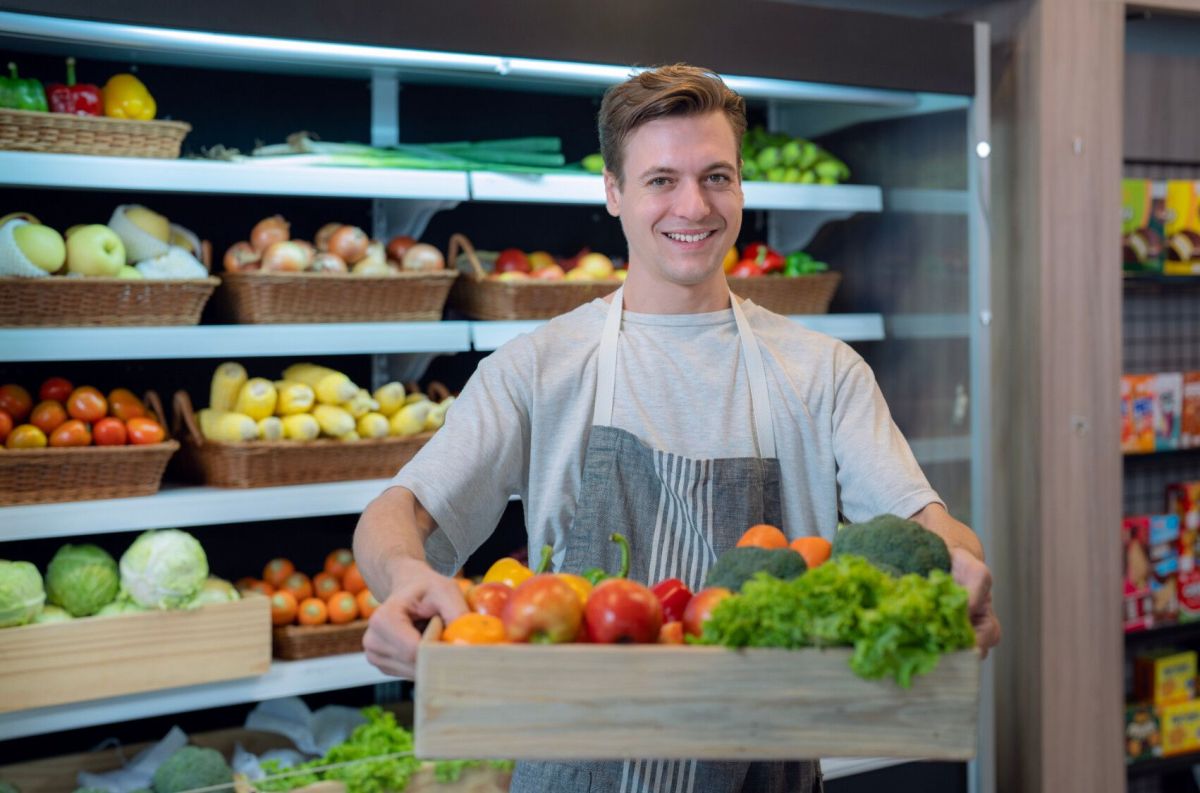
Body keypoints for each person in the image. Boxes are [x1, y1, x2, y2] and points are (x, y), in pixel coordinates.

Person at [355, 62, 1002, 793]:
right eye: (662, 179)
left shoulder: (822, 372)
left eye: (716, 176)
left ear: (741, 187)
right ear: (613, 192)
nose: (693, 205)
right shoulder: (539, 368)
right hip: (574, 771)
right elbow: (393, 513)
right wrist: (405, 575)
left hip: (770, 770)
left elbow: (927, 525)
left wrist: (960, 569)